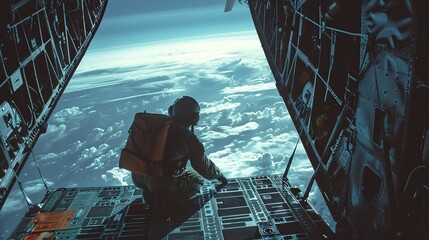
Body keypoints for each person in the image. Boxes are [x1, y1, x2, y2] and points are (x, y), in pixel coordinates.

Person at [132, 96, 227, 214]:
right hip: (162, 183)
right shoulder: (187, 137)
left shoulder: (158, 126)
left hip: (139, 176)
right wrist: (220, 176)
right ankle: (168, 200)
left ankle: (151, 192)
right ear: (194, 118)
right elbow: (204, 167)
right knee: (197, 180)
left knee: (173, 172)